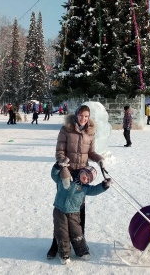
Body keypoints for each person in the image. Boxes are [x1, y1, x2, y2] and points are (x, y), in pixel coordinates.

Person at [47, 104, 106, 259]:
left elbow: (90, 152)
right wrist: (63, 163)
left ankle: (79, 243)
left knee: (79, 211)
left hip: (82, 175)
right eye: (81, 115)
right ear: (77, 114)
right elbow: (59, 151)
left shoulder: (90, 132)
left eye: (86, 116)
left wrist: (98, 159)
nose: (83, 119)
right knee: (62, 209)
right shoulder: (66, 129)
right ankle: (56, 244)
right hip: (66, 173)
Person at [51, 163, 111, 264]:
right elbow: (54, 175)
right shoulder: (65, 179)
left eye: (88, 179)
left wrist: (104, 186)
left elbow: (95, 190)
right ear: (81, 171)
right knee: (62, 233)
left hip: (74, 213)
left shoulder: (85, 188)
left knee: (77, 232)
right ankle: (64, 255)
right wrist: (58, 167)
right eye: (86, 174)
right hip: (59, 211)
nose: (85, 178)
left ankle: (82, 252)